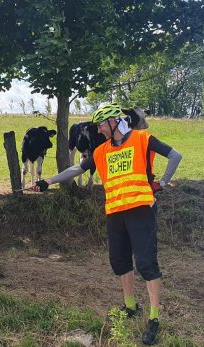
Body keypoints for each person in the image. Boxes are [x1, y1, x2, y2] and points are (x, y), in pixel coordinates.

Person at [32, 103, 182, 345]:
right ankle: (131, 306)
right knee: (119, 261)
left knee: (146, 263)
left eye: (101, 125)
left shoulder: (142, 138)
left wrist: (162, 183)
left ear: (114, 122)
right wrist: (46, 181)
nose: (99, 130)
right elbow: (76, 168)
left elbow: (175, 155)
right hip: (115, 213)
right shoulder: (102, 151)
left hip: (141, 210)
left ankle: (154, 318)